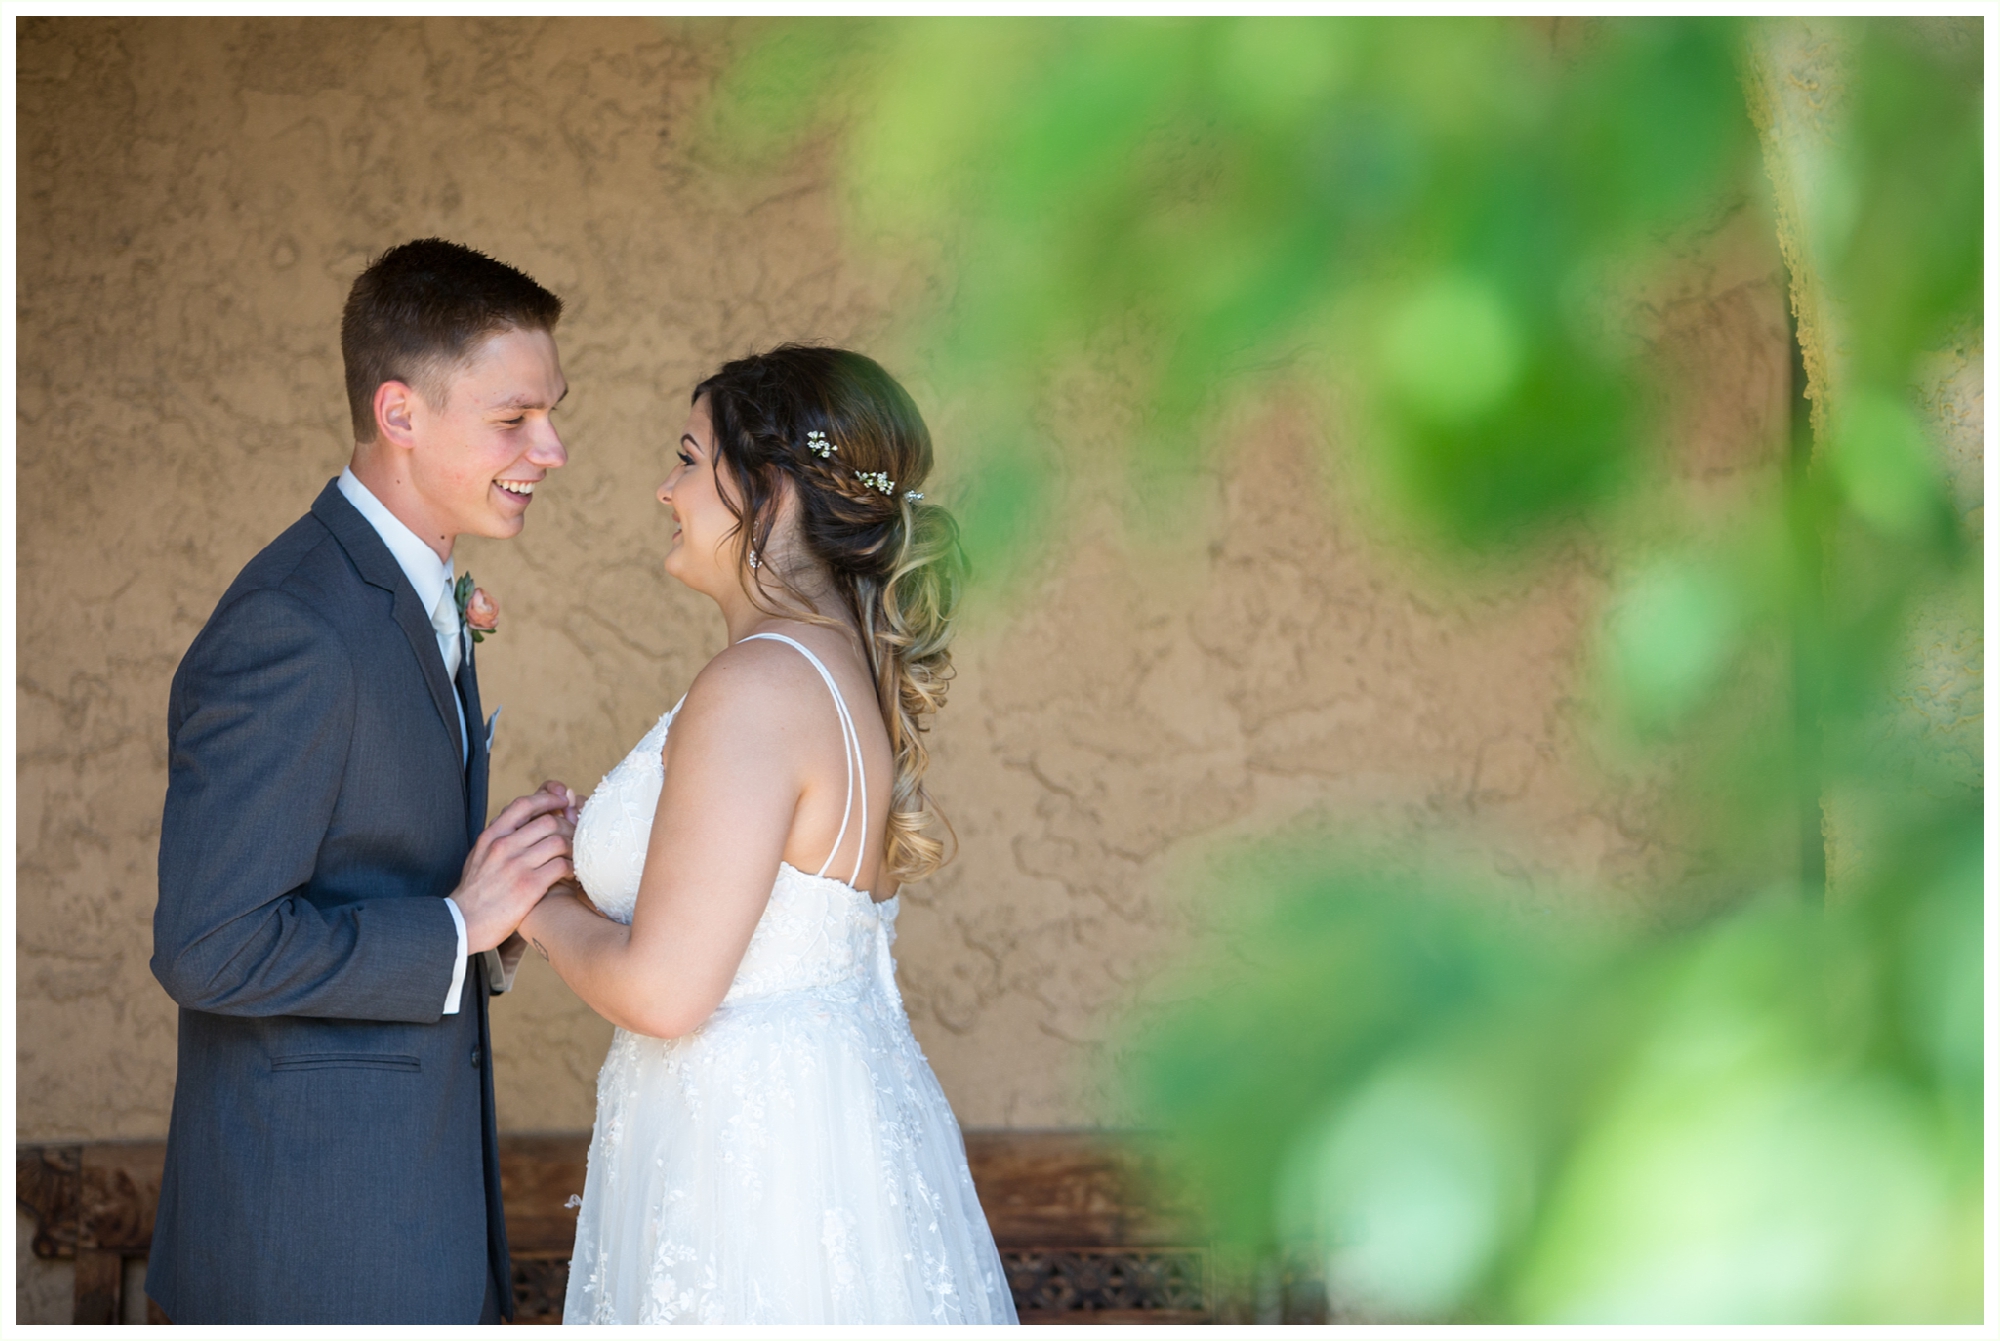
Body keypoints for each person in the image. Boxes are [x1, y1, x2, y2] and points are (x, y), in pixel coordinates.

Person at [518, 344, 1017, 1324]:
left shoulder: (755, 685)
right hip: (807, 1145)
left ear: (772, 491)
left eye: (689, 457)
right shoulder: (829, 672)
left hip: (745, 1183)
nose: (665, 490)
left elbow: (664, 990)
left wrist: (539, 902)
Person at [146, 239, 580, 1324]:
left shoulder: (399, 588)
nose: (552, 448)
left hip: (408, 1214)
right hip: (314, 1243)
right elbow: (210, 946)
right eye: (514, 418)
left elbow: (368, 879)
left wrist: (499, 906)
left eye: (551, 413)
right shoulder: (294, 625)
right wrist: (454, 924)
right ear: (400, 414)